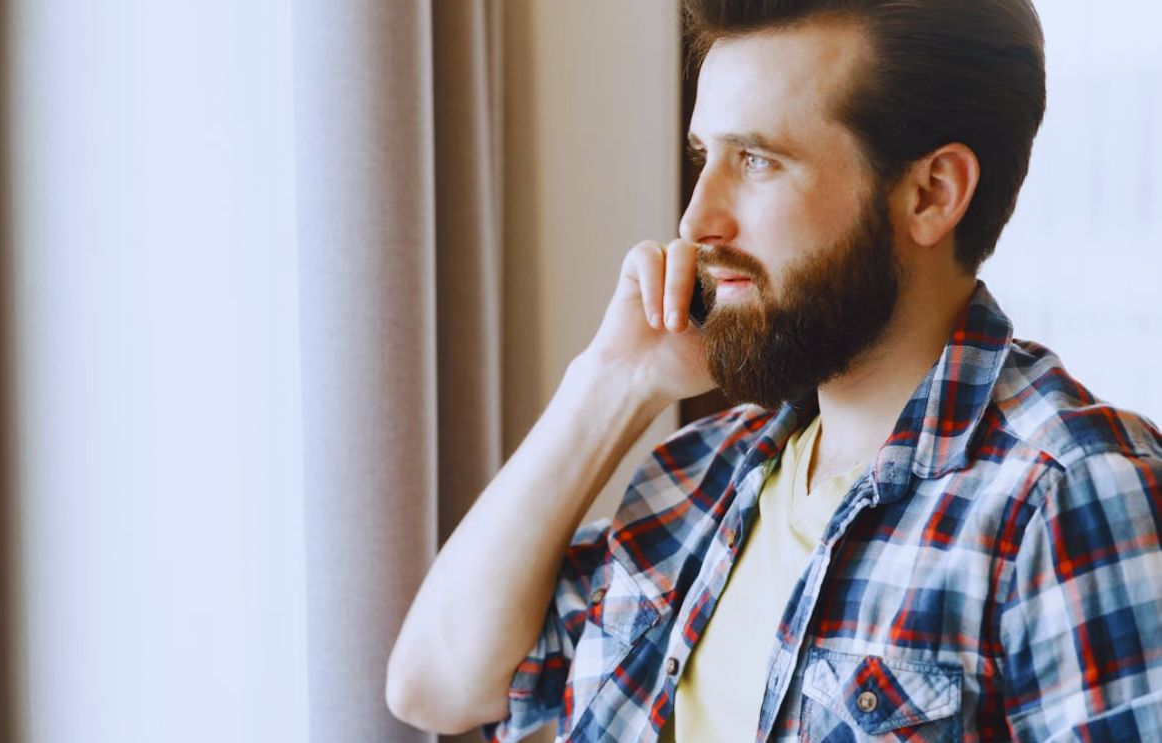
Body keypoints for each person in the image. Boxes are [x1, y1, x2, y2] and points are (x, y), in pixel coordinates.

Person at [386, 0, 1162, 740]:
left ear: (930, 194)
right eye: (705, 157)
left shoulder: (1069, 488)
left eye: (756, 160)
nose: (696, 220)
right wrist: (613, 382)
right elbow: (436, 686)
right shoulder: (696, 478)